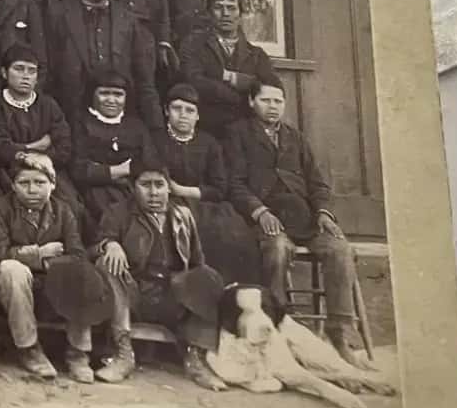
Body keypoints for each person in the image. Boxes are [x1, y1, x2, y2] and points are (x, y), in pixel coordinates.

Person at [226, 74, 370, 368]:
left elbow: (317, 184)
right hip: (267, 219)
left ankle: (339, 332)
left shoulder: (295, 138)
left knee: (341, 250)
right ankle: (281, 325)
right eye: (265, 100)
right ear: (251, 101)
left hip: (305, 219)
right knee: (277, 249)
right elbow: (234, 184)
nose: (273, 106)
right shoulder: (237, 134)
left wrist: (324, 213)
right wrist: (260, 211)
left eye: (278, 101)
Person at [92, 163, 227, 391]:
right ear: (133, 187)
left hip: (171, 296)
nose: (153, 192)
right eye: (145, 185)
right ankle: (123, 353)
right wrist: (109, 244)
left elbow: (196, 262)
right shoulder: (118, 212)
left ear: (169, 188)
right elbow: (93, 248)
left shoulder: (183, 216)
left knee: (206, 277)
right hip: (133, 295)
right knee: (107, 263)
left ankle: (196, 358)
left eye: (159, 185)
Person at [0, 153, 113, 381]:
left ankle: (78, 352)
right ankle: (29, 348)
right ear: (13, 186)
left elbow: (76, 253)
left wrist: (48, 264)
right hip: (15, 289)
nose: (32, 189)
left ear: (53, 184)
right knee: (11, 268)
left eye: (40, 182)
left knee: (80, 271)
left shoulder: (64, 211)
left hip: (56, 284)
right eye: (24, 183)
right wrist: (38, 254)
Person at [149, 84, 261, 286]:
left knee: (231, 233)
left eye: (190, 110)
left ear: (198, 116)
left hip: (206, 204)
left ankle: (231, 289)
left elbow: (219, 188)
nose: (183, 115)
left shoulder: (209, 143)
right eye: (177, 108)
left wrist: (183, 190)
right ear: (166, 111)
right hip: (168, 203)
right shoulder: (156, 140)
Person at [55, 0, 161, 127]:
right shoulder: (59, 16)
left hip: (119, 112)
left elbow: (144, 77)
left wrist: (156, 126)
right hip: (70, 111)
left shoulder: (128, 20)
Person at [178, 0, 277, 140]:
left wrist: (223, 76)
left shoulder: (257, 55)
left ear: (241, 13)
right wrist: (242, 85)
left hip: (245, 131)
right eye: (218, 8)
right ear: (209, 13)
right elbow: (192, 80)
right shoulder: (193, 45)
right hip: (204, 129)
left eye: (231, 8)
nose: (225, 14)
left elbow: (270, 87)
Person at [0, 45, 75, 211]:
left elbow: (64, 147)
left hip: (48, 168)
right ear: (4, 73)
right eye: (19, 69)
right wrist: (32, 148)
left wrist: (40, 161)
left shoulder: (48, 105)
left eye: (31, 71)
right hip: (9, 172)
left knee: (70, 206)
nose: (25, 76)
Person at [70, 70, 162, 224]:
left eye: (118, 94)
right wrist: (121, 170)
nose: (111, 100)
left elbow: (149, 163)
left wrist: (99, 168)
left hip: (132, 190)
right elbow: (78, 169)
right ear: (92, 94)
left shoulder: (136, 126)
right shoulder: (81, 124)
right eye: (104, 93)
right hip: (93, 193)